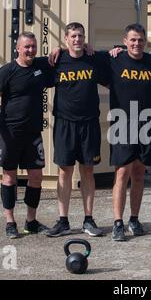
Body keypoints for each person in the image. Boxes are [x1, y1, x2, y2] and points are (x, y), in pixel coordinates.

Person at [0, 32, 54, 238]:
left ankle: (31, 221)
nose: (31, 50)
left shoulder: (40, 65)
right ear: (18, 48)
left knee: (36, 176)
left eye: (33, 46)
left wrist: (61, 49)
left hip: (32, 133)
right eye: (26, 47)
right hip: (9, 133)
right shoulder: (7, 71)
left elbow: (62, 55)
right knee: (9, 176)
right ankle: (10, 222)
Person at [45, 22, 108, 237]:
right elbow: (28, 70)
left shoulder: (94, 59)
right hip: (64, 124)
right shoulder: (56, 60)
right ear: (66, 39)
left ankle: (88, 220)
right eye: (73, 36)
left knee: (88, 170)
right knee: (64, 171)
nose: (77, 40)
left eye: (80, 36)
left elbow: (117, 57)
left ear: (85, 38)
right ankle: (63, 220)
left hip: (89, 123)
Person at [107, 24, 151, 241]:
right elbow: (85, 53)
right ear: (125, 41)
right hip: (122, 122)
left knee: (139, 173)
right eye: (132, 40)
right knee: (122, 173)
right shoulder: (114, 59)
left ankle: (134, 218)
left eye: (140, 40)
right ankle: (117, 223)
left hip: (147, 123)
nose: (136, 43)